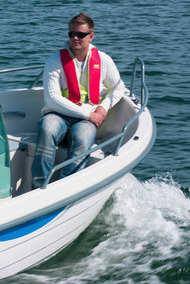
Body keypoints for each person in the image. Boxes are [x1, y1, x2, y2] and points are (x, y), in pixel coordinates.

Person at [31, 12, 126, 189]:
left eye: (80, 35)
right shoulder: (54, 60)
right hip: (58, 114)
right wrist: (89, 114)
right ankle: (38, 186)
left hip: (85, 119)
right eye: (71, 34)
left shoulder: (104, 60)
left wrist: (104, 108)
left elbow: (119, 88)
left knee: (84, 140)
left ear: (91, 36)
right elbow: (52, 99)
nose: (75, 38)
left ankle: (65, 188)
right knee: (47, 129)